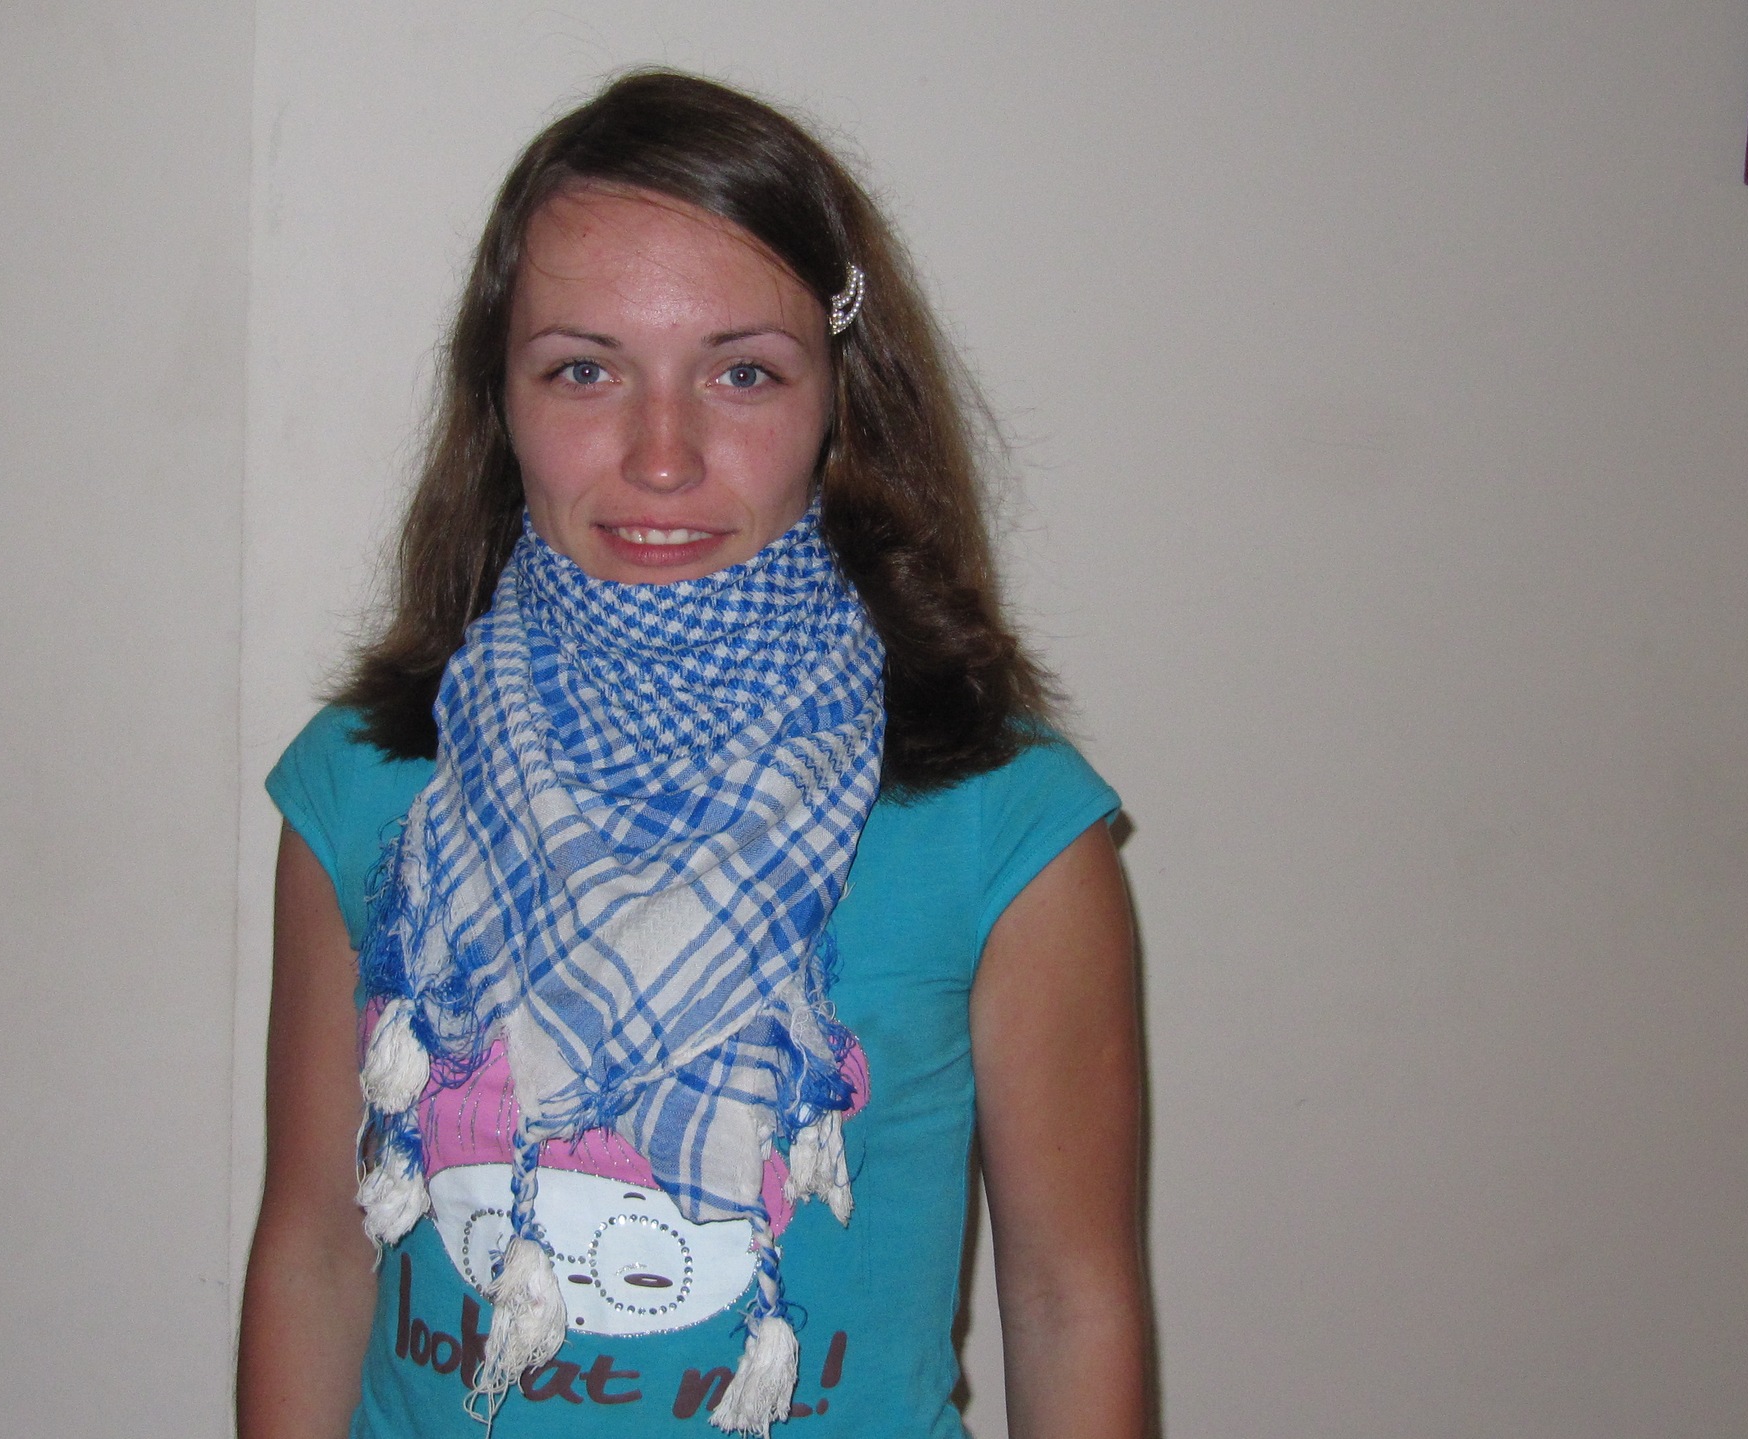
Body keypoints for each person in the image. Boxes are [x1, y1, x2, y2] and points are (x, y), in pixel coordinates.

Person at [238, 71, 1148, 1439]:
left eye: (742, 373)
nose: (661, 456)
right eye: (584, 370)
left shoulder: (1002, 823)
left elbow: (1073, 1303)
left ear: (840, 396)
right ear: (500, 397)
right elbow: (315, 1248)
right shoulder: (364, 781)